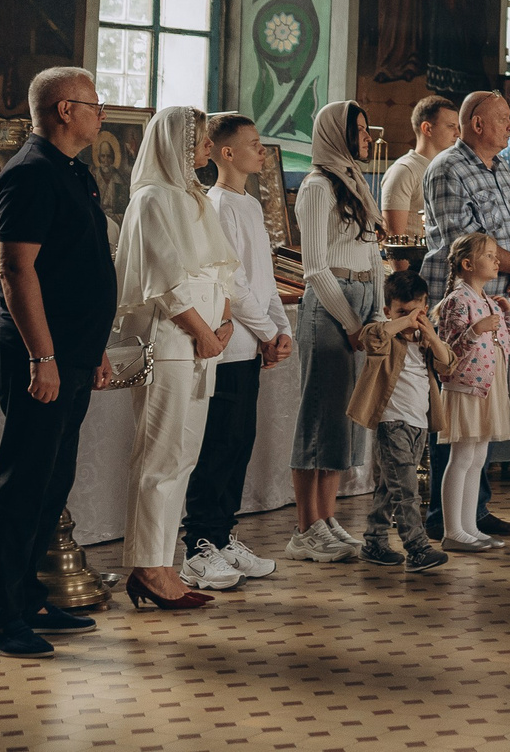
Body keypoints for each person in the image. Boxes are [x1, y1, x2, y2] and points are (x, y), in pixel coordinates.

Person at [0, 66, 117, 659]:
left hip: (73, 354)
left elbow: (74, 270)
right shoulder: (30, 175)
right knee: (24, 484)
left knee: (52, 481)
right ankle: (0, 617)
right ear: (64, 110)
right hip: (41, 356)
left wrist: (93, 346)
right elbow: (16, 269)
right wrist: (44, 355)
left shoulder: (71, 172)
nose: (101, 114)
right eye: (93, 103)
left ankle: (29, 596)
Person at [110, 106, 234, 608]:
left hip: (204, 344)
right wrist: (203, 332)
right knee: (158, 457)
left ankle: (164, 565)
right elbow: (165, 279)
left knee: (184, 456)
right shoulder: (153, 199)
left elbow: (219, 269)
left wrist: (222, 324)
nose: (208, 147)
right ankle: (147, 567)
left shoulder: (194, 198)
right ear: (174, 145)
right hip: (170, 342)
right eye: (200, 140)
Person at [422, 89, 510, 539]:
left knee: (483, 417)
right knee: (457, 419)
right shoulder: (448, 169)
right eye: (504, 119)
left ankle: (475, 511)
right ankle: (445, 518)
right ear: (478, 123)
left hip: (499, 304)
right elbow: (466, 240)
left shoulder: (505, 166)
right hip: (461, 314)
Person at [182, 111, 292, 588]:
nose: (262, 150)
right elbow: (233, 282)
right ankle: (199, 545)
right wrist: (267, 332)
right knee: (217, 447)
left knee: (239, 443)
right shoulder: (219, 204)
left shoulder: (249, 205)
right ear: (226, 153)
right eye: (254, 143)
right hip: (227, 346)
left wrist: (280, 329)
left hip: (251, 345)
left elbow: (265, 279)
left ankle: (224, 536)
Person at [284, 100, 381, 564]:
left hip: (360, 302)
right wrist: (352, 321)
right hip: (330, 305)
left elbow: (374, 255)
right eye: (358, 130)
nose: (365, 137)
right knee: (319, 417)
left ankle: (327, 518)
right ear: (334, 135)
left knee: (343, 420)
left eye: (365, 129)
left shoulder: (355, 183)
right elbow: (316, 268)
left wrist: (377, 312)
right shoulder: (318, 187)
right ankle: (305, 528)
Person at [346, 268, 449, 571]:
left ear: (426, 308)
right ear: (388, 310)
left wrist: (429, 333)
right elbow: (369, 338)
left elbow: (448, 365)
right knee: (406, 491)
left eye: (417, 310)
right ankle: (417, 548)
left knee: (389, 489)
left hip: (418, 424)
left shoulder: (426, 340)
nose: (411, 318)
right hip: (392, 423)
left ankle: (374, 542)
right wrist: (402, 321)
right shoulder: (385, 335)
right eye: (402, 311)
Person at [431, 232, 510, 554]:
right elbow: (446, 352)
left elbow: (503, 348)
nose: (497, 260)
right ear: (468, 264)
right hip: (466, 386)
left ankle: (470, 528)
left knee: (478, 457)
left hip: (488, 386)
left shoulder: (485, 301)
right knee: (463, 456)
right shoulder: (457, 300)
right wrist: (474, 330)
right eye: (490, 255)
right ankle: (453, 530)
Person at [379, 95, 457, 239]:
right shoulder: (404, 170)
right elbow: (394, 240)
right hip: (416, 260)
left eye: (458, 127)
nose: (457, 134)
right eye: (451, 126)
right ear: (427, 128)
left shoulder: (450, 169)